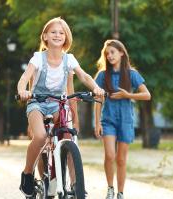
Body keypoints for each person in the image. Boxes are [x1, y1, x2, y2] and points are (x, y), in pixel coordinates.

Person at [17, 17, 105, 197]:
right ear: (45, 36)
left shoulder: (69, 59)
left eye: (61, 32)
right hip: (37, 102)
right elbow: (25, 79)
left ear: (66, 37)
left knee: (68, 137)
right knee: (40, 136)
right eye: (53, 32)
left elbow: (84, 76)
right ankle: (27, 174)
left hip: (58, 104)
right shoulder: (38, 58)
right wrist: (22, 91)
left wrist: (95, 88)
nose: (57, 35)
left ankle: (76, 184)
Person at [94, 39, 151, 199]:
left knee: (121, 159)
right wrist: (97, 122)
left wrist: (128, 95)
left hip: (126, 121)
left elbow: (147, 95)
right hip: (108, 120)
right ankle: (110, 189)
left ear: (121, 53)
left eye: (112, 52)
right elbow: (98, 100)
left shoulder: (132, 74)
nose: (109, 56)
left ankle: (120, 193)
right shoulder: (102, 75)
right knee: (110, 155)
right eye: (107, 54)